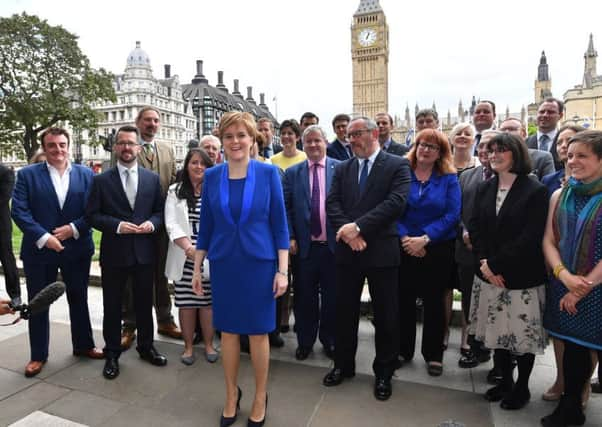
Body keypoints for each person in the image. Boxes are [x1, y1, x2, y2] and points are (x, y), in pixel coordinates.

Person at [191, 112, 289, 426]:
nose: (235, 141)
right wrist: (196, 269)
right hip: (224, 265)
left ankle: (261, 395)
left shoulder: (268, 174)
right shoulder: (212, 176)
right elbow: (205, 227)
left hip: (259, 265)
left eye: (241, 135)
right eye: (229, 136)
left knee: (259, 333)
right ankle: (232, 394)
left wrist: (282, 270)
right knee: (229, 333)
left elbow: (280, 227)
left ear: (252, 139)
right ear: (222, 140)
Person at [323, 116, 410, 401]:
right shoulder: (344, 167)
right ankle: (343, 365)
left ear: (373, 133)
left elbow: (395, 203)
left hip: (382, 252)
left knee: (386, 316)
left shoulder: (397, 165)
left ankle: (384, 373)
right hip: (349, 252)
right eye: (348, 136)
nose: (351, 140)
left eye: (356, 134)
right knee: (343, 312)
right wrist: (349, 234)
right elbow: (332, 203)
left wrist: (357, 227)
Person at [11, 127, 102, 378]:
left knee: (79, 298)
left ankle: (84, 345)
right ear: (45, 147)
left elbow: (94, 210)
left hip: (77, 248)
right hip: (40, 251)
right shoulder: (27, 175)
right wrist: (44, 237)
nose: (58, 150)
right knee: (39, 302)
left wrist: (73, 228)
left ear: (68, 145)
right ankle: (38, 355)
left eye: (62, 144)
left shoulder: (86, 175)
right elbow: (19, 211)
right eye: (52, 145)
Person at [468, 132, 548, 410]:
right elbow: (475, 227)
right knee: (497, 334)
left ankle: (522, 387)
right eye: (490, 151)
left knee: (521, 338)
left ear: (516, 153)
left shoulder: (535, 190)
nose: (493, 155)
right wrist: (484, 264)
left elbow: (530, 236)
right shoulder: (485, 188)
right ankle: (504, 382)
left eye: (500, 150)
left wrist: (496, 264)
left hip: (520, 277)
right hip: (489, 275)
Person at [86, 125, 167, 380]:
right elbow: (92, 215)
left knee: (145, 304)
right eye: (121, 143)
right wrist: (117, 226)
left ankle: (146, 347)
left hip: (144, 253)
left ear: (139, 147)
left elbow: (160, 212)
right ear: (115, 147)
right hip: (114, 254)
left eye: (131, 143)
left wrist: (153, 224)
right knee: (112, 306)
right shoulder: (100, 180)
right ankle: (111, 354)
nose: (127, 148)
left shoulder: (152, 179)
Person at [541, 130, 602, 427]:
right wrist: (563, 276)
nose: (572, 160)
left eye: (582, 156)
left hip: (594, 288)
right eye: (570, 155)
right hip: (563, 283)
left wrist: (581, 288)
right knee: (573, 350)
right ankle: (570, 408)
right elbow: (549, 240)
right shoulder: (560, 194)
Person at [397, 129, 461, 376]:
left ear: (440, 153)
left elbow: (452, 214)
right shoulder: (402, 173)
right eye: (422, 144)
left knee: (435, 302)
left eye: (432, 147)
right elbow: (393, 207)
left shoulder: (448, 178)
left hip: (437, 247)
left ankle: (434, 354)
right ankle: (403, 350)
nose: (425, 149)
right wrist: (406, 239)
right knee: (404, 300)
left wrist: (424, 239)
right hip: (404, 246)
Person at [121, 106, 181, 351]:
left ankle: (165, 319)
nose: (152, 124)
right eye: (147, 120)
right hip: (134, 225)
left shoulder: (167, 149)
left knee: (161, 272)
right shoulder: (125, 148)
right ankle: (129, 324)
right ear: (138, 122)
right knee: (130, 276)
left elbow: (175, 180)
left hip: (162, 224)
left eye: (156, 120)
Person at [283, 125, 339, 360]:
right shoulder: (293, 173)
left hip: (334, 247)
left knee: (332, 298)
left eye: (318, 140)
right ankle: (305, 342)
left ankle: (330, 340)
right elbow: (285, 208)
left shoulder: (341, 169)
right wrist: (291, 236)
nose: (314, 145)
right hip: (304, 248)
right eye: (309, 142)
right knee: (304, 298)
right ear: (302, 145)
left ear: (326, 142)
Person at [165, 148, 218, 365]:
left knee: (207, 303)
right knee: (186, 303)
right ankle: (188, 347)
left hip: (210, 255)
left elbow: (221, 223)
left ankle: (208, 344)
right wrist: (189, 249)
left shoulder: (216, 191)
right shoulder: (174, 191)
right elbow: (171, 223)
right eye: (194, 162)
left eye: (203, 164)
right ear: (186, 166)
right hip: (184, 255)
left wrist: (205, 251)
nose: (198, 167)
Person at [456, 131, 500, 370]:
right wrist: (465, 232)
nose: (485, 152)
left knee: (497, 305)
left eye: (491, 148)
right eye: (481, 147)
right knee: (470, 302)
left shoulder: (512, 178)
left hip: (496, 255)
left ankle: (501, 360)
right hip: (467, 250)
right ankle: (476, 348)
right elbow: (458, 209)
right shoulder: (467, 177)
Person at [442, 123, 478, 352]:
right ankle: (443, 332)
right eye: (459, 134)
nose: (463, 137)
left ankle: (467, 335)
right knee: (444, 287)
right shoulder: (443, 166)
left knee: (469, 290)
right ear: (451, 139)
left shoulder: (481, 167)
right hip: (445, 235)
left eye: (468, 134)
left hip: (470, 237)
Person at [541, 125, 585, 196]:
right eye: (559, 142)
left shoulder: (591, 179)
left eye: (570, 140)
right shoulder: (548, 180)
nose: (563, 145)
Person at [0, 163, 20, 304]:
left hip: (1, 225)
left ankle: (15, 297)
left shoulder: (6, 172)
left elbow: (4, 197)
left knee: (7, 259)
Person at [526, 97, 565, 170]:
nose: (545, 115)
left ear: (560, 116)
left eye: (550, 112)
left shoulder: (566, 142)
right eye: (541, 112)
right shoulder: (525, 143)